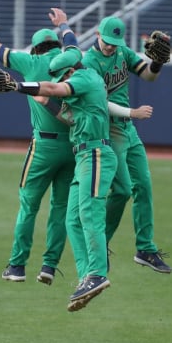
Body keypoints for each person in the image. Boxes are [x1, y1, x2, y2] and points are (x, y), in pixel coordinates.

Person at [0, 0, 75, 285]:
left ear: (36, 47)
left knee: (29, 206)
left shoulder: (30, 61)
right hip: (74, 145)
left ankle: (17, 267)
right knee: (60, 209)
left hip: (44, 146)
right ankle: (49, 266)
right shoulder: (74, 62)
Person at [14, 49, 117, 312]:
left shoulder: (84, 78)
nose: (61, 80)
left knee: (89, 213)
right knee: (72, 218)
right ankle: (87, 277)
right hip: (82, 155)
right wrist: (41, 99)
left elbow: (52, 88)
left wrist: (16, 85)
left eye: (63, 76)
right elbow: (67, 117)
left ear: (71, 71)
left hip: (95, 153)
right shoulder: (82, 83)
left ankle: (97, 273)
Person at [82, 16, 172, 274]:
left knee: (143, 185)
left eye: (115, 42)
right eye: (107, 41)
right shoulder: (89, 62)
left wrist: (157, 62)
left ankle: (145, 248)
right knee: (122, 190)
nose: (111, 47)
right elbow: (99, 101)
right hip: (109, 129)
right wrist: (132, 112)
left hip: (128, 131)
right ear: (98, 34)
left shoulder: (122, 51)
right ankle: (101, 245)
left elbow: (148, 76)